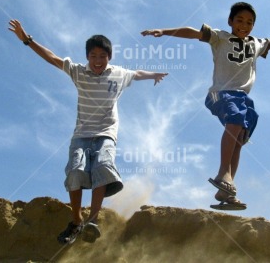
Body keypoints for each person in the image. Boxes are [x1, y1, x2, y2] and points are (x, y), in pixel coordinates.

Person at [9, 19, 167, 244]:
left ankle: (92, 221)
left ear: (109, 57)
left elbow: (136, 73)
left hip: (106, 134)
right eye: (93, 56)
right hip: (81, 135)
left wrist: (153, 75)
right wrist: (27, 40)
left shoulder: (118, 74)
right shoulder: (78, 72)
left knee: (102, 166)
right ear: (87, 57)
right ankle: (76, 221)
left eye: (102, 56)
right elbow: (51, 57)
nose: (97, 61)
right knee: (75, 171)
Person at [141, 2, 270, 209]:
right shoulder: (220, 37)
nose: (244, 25)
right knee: (235, 120)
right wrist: (164, 31)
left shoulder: (256, 43)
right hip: (219, 94)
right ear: (230, 21)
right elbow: (193, 33)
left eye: (249, 22)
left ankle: (226, 190)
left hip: (243, 98)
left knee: (239, 138)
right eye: (239, 20)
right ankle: (222, 174)